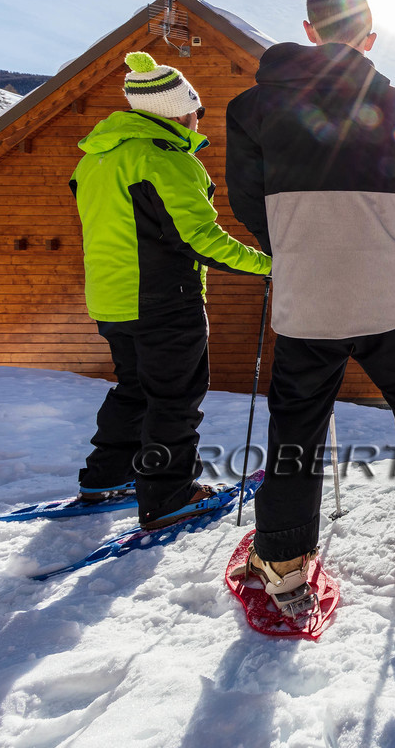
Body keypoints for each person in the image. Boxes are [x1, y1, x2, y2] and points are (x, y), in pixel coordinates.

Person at [225, 0, 395, 615]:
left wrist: (305, 246)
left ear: (308, 30)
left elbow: (249, 204)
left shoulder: (250, 111)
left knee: (296, 431)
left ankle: (282, 563)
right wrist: (376, 238)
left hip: (308, 302)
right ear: (370, 37)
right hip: (393, 296)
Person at [70, 51, 272, 529]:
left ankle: (105, 477)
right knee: (174, 398)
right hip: (163, 298)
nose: (198, 116)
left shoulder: (95, 160)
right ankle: (168, 495)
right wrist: (270, 265)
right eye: (195, 107)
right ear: (179, 109)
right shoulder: (166, 160)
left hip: (111, 299)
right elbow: (199, 238)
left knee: (134, 388)